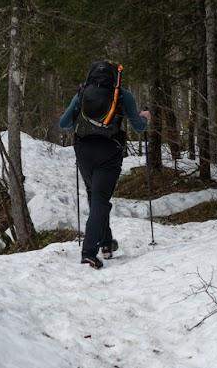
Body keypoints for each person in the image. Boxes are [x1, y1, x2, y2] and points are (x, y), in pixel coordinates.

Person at [58, 60, 150, 269]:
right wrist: (145, 118)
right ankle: (89, 253)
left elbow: (64, 124)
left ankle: (106, 243)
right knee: (99, 199)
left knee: (95, 195)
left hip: (83, 150)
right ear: (115, 78)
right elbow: (138, 126)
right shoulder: (123, 95)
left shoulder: (82, 94)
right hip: (109, 151)